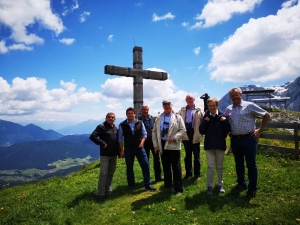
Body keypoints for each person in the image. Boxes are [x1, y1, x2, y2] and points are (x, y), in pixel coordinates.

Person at [224, 87, 270, 198]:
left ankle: (252, 189)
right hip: (235, 139)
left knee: (251, 164)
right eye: (232, 96)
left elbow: (266, 115)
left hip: (248, 139)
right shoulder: (229, 108)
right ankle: (241, 184)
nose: (235, 97)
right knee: (238, 163)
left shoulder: (249, 105)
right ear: (230, 97)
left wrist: (260, 130)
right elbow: (224, 120)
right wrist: (229, 130)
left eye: (237, 95)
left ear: (241, 95)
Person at [152, 99, 186, 196]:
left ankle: (178, 188)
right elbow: (154, 132)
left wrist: (175, 137)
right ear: (163, 106)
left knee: (176, 167)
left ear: (172, 105)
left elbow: (183, 130)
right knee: (166, 166)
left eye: (168, 105)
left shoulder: (177, 117)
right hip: (162, 144)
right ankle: (168, 185)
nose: (167, 107)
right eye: (165, 105)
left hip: (173, 145)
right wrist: (156, 145)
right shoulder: (158, 118)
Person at [118, 107, 156, 191]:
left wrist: (142, 143)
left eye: (132, 113)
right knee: (129, 167)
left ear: (134, 114)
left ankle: (148, 184)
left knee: (145, 165)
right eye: (129, 113)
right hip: (128, 149)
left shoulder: (140, 122)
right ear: (126, 115)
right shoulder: (122, 124)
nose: (130, 115)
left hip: (139, 148)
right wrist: (122, 150)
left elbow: (144, 134)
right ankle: (131, 185)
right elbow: (120, 138)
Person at [199, 98, 231, 195]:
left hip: (220, 144)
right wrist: (205, 122)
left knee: (219, 166)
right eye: (210, 106)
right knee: (210, 166)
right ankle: (209, 186)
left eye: (213, 105)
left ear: (217, 105)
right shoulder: (206, 116)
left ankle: (220, 185)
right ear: (208, 106)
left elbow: (228, 130)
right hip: (209, 145)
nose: (212, 107)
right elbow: (201, 130)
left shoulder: (222, 116)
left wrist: (225, 121)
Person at [89, 112, 120, 203]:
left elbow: (117, 140)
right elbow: (92, 136)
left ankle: (107, 188)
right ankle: (101, 194)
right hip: (105, 155)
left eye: (112, 117)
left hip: (114, 155)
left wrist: (119, 151)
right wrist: (102, 143)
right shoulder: (101, 126)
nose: (111, 118)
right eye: (109, 117)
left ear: (115, 119)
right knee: (103, 173)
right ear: (106, 118)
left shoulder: (115, 128)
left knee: (111, 172)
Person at [177, 94, 203, 180]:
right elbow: (176, 119)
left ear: (194, 99)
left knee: (196, 156)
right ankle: (188, 173)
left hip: (195, 133)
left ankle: (197, 174)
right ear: (186, 100)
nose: (189, 100)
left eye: (191, 98)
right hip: (186, 134)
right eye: (188, 99)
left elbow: (203, 122)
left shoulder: (199, 110)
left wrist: (201, 132)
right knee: (187, 155)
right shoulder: (182, 110)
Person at [138, 106, 163, 182]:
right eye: (144, 110)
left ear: (148, 110)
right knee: (145, 161)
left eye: (146, 110)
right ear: (141, 111)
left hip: (154, 142)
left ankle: (158, 177)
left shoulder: (152, 118)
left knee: (157, 159)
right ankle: (147, 178)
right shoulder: (138, 120)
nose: (145, 111)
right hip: (144, 143)